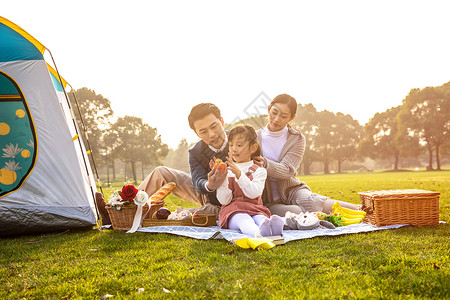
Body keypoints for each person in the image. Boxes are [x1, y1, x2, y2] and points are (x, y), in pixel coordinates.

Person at [253, 94, 360, 217]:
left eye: (283, 116)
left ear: (291, 118)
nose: (276, 119)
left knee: (312, 202)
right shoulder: (254, 138)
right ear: (268, 109)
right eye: (274, 112)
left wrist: (265, 164)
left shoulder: (296, 139)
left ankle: (359, 209)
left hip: (292, 190)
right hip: (268, 200)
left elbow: (287, 170)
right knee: (296, 212)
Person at [138, 103, 228, 216]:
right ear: (197, 133)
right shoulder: (196, 152)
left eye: (214, 126)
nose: (212, 134)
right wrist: (209, 185)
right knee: (160, 172)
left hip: (236, 200)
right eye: (203, 131)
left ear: (222, 121)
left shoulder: (243, 139)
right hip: (208, 193)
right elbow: (198, 182)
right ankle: (125, 207)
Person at [216, 125, 284, 237]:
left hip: (255, 210)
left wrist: (239, 174)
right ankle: (259, 234)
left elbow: (253, 194)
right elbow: (224, 201)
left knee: (261, 218)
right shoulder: (227, 171)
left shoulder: (259, 171)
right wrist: (222, 181)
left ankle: (273, 229)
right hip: (233, 212)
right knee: (245, 220)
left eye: (239, 145)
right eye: (231, 145)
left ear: (253, 148)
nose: (234, 149)